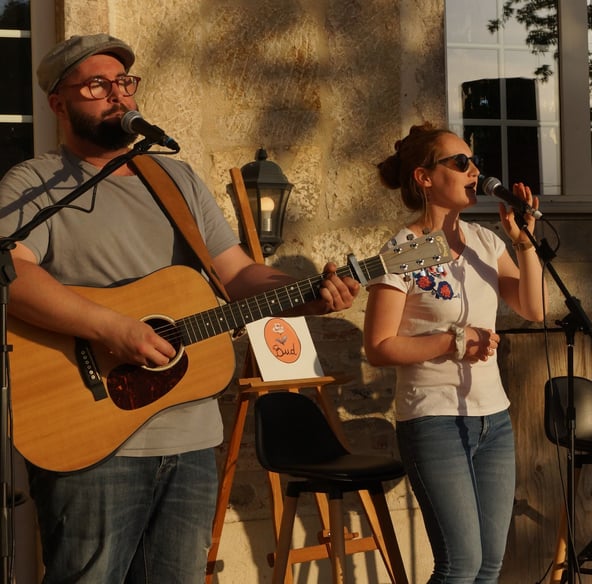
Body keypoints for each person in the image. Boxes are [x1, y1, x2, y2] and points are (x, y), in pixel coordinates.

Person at [0, 34, 360, 582]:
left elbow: (236, 273)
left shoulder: (174, 179)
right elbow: (11, 273)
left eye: (124, 82)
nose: (117, 95)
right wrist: (110, 328)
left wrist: (303, 292)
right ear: (58, 102)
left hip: (191, 437)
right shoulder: (34, 184)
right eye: (96, 84)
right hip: (90, 436)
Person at [363, 123, 547, 583]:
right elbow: (379, 347)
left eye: (474, 162)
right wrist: (453, 342)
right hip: (435, 419)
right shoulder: (405, 250)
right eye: (460, 163)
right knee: (460, 565)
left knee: (489, 565)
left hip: (494, 419)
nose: (474, 172)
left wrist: (524, 242)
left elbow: (535, 308)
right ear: (424, 177)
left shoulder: (485, 241)